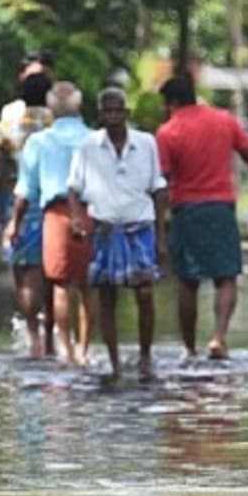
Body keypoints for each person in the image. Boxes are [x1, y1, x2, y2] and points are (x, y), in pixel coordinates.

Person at [155, 76, 248, 361]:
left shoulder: (168, 132)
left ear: (172, 103)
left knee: (188, 280)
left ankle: (190, 348)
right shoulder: (224, 120)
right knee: (226, 276)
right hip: (221, 208)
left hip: (186, 210)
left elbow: (162, 183)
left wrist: (157, 230)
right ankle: (219, 337)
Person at [67, 87, 168, 380]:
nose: (112, 117)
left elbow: (159, 190)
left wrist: (161, 237)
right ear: (99, 115)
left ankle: (145, 356)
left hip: (140, 228)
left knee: (145, 293)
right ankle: (114, 362)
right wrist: (76, 220)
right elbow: (73, 189)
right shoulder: (88, 147)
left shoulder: (146, 143)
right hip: (106, 230)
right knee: (107, 296)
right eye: (106, 111)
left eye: (117, 111)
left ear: (126, 113)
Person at [11, 81, 94, 366]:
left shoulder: (39, 142)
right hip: (91, 212)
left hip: (55, 215)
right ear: (79, 106)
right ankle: (85, 349)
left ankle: (66, 351)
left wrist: (15, 223)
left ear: (50, 110)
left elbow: (25, 192)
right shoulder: (94, 139)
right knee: (87, 285)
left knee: (61, 284)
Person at [0, 72, 54, 357]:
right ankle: (51, 335)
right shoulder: (58, 123)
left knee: (24, 273)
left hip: (17, 205)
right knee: (54, 272)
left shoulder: (7, 125)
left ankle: (34, 337)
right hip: (55, 204)